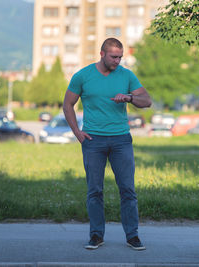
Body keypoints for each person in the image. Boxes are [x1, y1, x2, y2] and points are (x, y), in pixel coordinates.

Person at [63, 38, 152, 251]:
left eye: (120, 56)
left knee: (128, 190)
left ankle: (132, 236)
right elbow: (68, 104)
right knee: (95, 190)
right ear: (102, 54)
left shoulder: (127, 75)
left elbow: (147, 101)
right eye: (114, 56)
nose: (118, 60)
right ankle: (96, 236)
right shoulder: (83, 76)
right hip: (93, 140)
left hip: (121, 140)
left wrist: (130, 97)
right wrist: (77, 132)